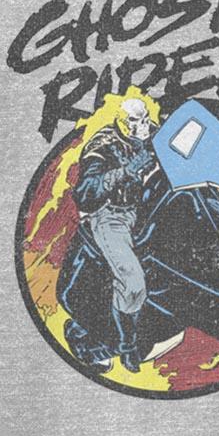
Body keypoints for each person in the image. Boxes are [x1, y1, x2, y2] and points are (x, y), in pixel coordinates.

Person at [72, 98, 157, 372]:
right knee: (133, 283)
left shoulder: (155, 133)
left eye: (145, 118)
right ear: (121, 121)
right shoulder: (102, 146)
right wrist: (124, 172)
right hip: (111, 216)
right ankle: (127, 346)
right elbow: (85, 192)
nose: (143, 125)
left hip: (146, 208)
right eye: (135, 121)